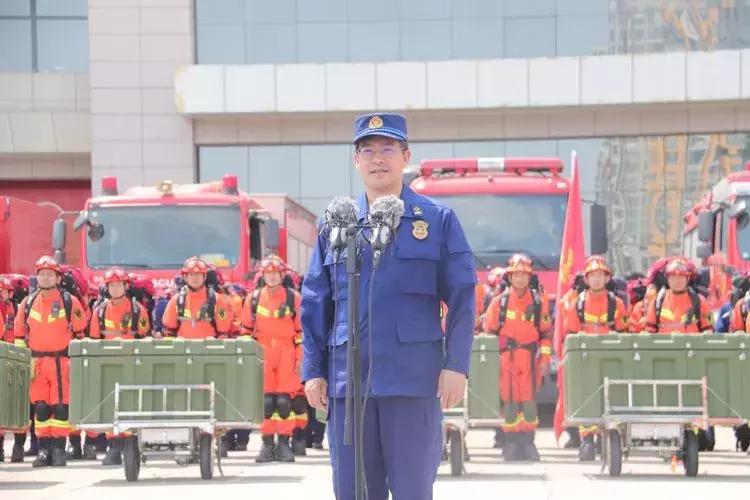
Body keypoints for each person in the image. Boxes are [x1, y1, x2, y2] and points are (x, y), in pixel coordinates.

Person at [302, 113, 475, 499]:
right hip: (348, 383)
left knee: (413, 491)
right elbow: (315, 301)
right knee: (353, 492)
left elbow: (463, 298)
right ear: (356, 161)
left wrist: (456, 366)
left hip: (413, 383)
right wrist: (313, 370)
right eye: (368, 151)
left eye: (387, 149)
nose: (377, 159)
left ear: (405, 156)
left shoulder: (436, 220)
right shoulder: (337, 226)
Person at [14, 256, 87, 467]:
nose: (45, 277)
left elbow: (80, 332)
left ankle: (59, 450)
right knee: (42, 408)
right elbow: (19, 336)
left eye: (49, 274)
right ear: (37, 277)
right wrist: (23, 364)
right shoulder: (27, 303)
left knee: (62, 408)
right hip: (37, 364)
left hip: (61, 362)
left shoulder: (68, 301)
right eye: (42, 274)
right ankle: (44, 451)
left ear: (57, 277)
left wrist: (77, 361)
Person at [484, 254, 550, 462]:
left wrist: (546, 359)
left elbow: (546, 334)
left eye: (524, 275)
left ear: (530, 277)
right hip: (506, 360)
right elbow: (490, 334)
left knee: (529, 401)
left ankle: (528, 442)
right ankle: (511, 442)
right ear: (510, 277)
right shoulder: (498, 303)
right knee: (509, 401)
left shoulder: (539, 302)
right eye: (517, 275)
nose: (521, 279)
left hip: (530, 359)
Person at [563, 256, 627, 461]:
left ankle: (605, 438)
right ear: (587, 279)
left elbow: (624, 333)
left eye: (601, 275)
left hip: (611, 358)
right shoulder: (577, 304)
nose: (597, 279)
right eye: (593, 276)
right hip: (585, 359)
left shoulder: (616, 304)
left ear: (607, 278)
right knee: (586, 397)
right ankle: (587, 440)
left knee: (610, 397)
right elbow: (570, 334)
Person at [241, 255, 302, 463]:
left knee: (284, 401)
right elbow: (246, 331)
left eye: (276, 273)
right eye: (269, 273)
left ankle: (284, 444)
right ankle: (267, 444)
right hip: (262, 353)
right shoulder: (254, 298)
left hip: (287, 353)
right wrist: (247, 359)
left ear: (282, 275)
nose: (273, 277)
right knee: (265, 402)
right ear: (263, 275)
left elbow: (301, 333)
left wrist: (300, 359)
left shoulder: (294, 298)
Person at [89, 267, 151, 465]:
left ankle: (129, 446)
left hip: (132, 364)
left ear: (126, 286)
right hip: (108, 366)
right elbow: (93, 341)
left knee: (131, 404)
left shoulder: (137, 310)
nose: (115, 289)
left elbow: (144, 338)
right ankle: (113, 446)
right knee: (110, 406)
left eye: (119, 285)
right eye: (111, 285)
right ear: (107, 288)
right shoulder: (99, 312)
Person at [161, 257, 232, 338]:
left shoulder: (216, 299)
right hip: (182, 349)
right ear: (185, 277)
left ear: (204, 277)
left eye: (198, 274)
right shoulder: (176, 300)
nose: (195, 278)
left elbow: (223, 333)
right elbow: (169, 332)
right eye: (191, 274)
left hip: (209, 349)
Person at [645, 257, 712, 334]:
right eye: (673, 278)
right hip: (664, 346)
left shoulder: (701, 301)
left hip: (692, 345)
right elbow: (649, 330)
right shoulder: (657, 301)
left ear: (688, 278)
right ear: (667, 279)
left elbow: (709, 329)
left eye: (681, 277)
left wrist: (707, 333)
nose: (677, 281)